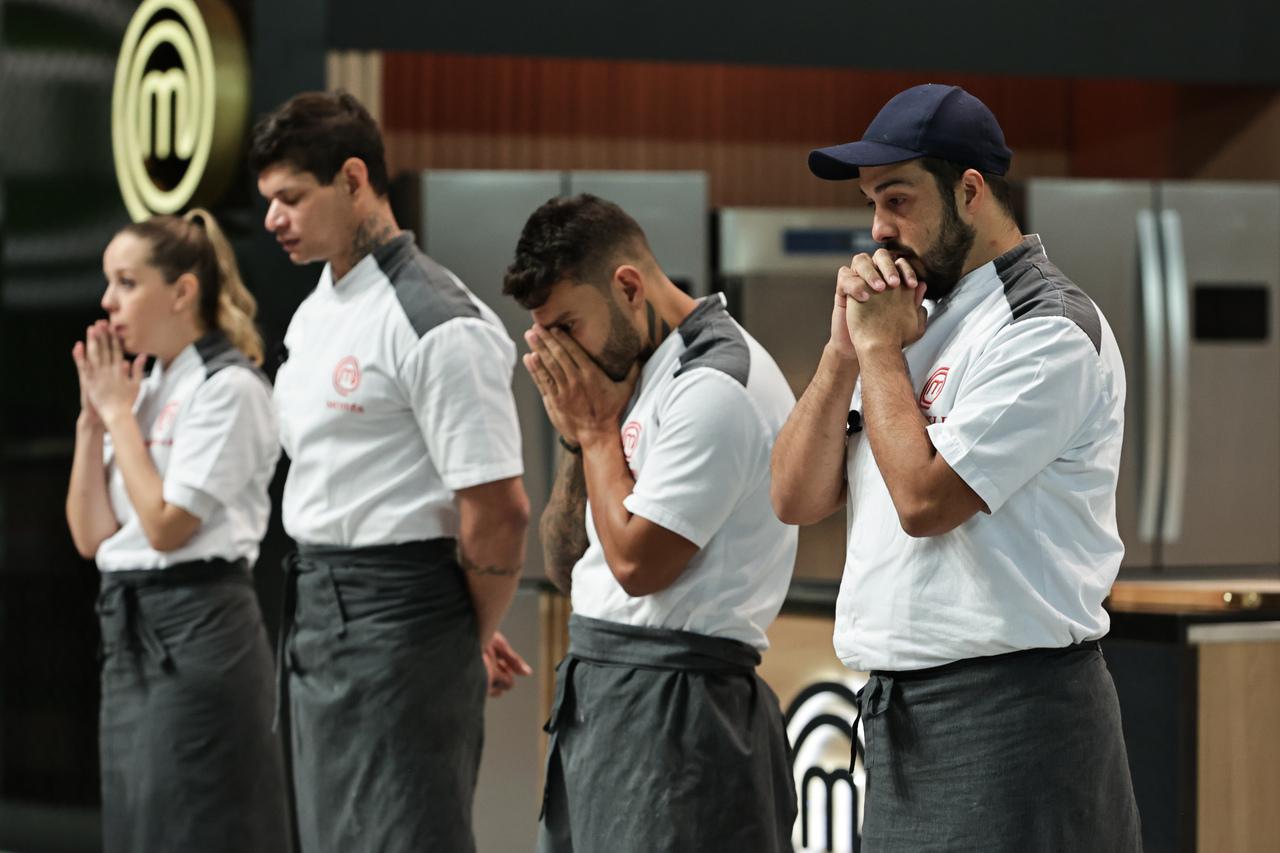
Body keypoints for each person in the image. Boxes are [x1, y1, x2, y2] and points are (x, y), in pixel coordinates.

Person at [772, 83, 1143, 851]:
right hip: (901, 715)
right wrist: (844, 351)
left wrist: (878, 350)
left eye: (899, 200)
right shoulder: (910, 319)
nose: (879, 229)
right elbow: (794, 495)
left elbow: (924, 499)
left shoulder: (1047, 328)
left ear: (970, 191)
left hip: (1016, 718)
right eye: (873, 203)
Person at [248, 90, 531, 852]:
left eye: (290, 198)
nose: (273, 218)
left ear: (352, 178)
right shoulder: (317, 308)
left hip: (401, 609)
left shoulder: (437, 318)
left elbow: (499, 508)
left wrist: (464, 630)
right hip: (314, 602)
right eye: (268, 201)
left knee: (405, 837)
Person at [503, 193, 800, 852]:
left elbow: (637, 565)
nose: (560, 353)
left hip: (679, 707)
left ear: (628, 287)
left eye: (568, 326)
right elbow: (568, 564)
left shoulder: (715, 383)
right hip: (601, 685)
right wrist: (580, 444)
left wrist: (598, 431)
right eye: (545, 333)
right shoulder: (632, 372)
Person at [65, 209, 289, 852]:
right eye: (110, 283)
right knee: (137, 826)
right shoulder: (146, 384)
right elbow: (90, 535)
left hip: (200, 627)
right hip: (127, 623)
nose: (109, 302)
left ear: (183, 291)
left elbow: (165, 526)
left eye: (127, 282)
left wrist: (119, 417)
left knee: (197, 825)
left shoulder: (230, 387)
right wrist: (92, 422)